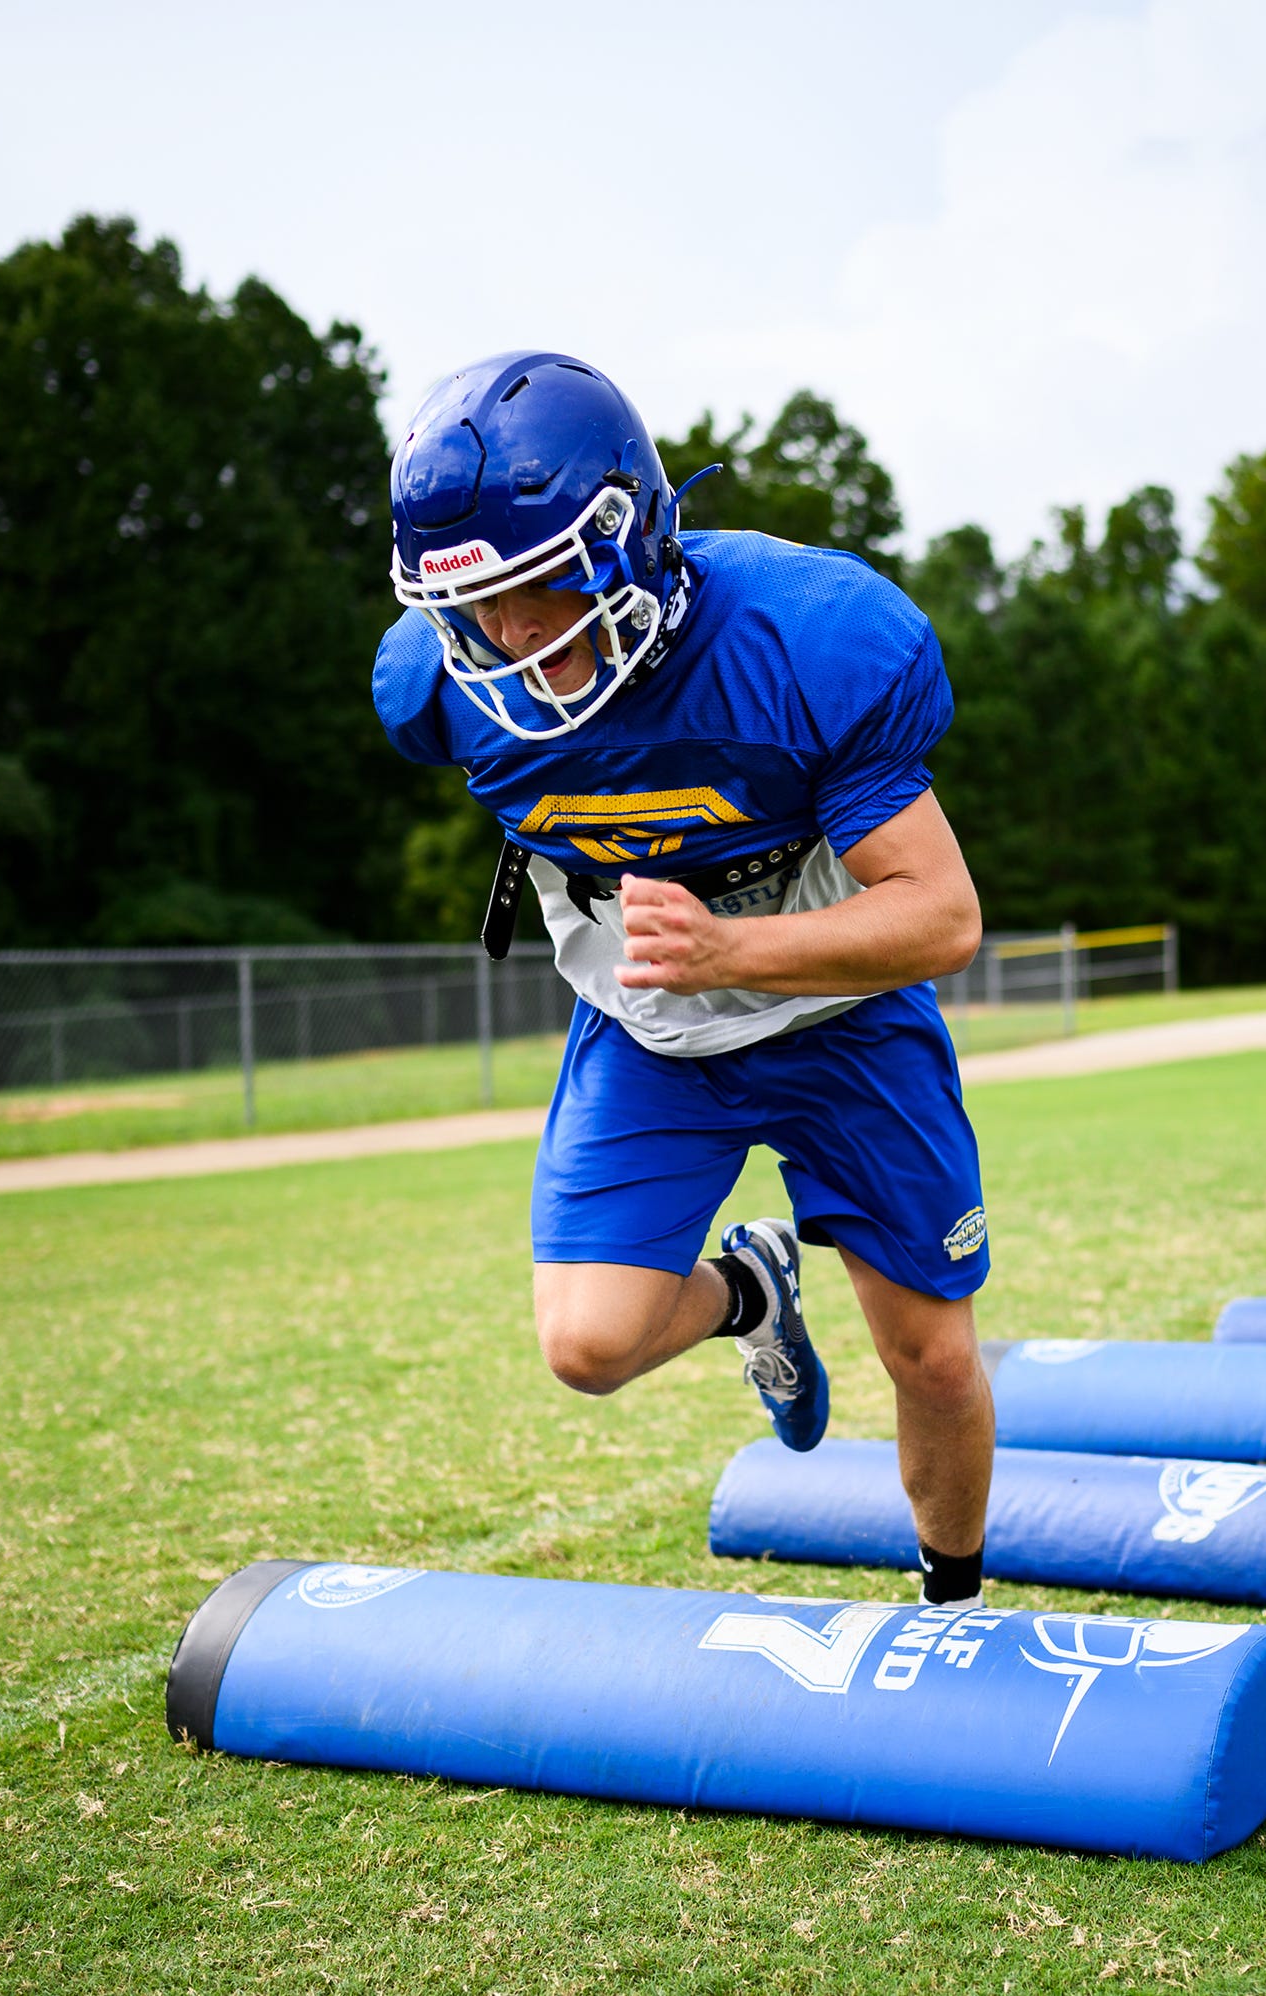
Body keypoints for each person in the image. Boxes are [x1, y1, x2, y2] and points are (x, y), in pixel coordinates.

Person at [371, 350, 997, 1611]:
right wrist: (695, 969)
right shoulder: (444, 689)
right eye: (483, 600)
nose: (510, 636)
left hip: (842, 1011)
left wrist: (734, 950)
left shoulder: (809, 638)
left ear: (631, 536)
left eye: (538, 585)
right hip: (650, 1021)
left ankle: (952, 1599)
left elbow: (941, 917)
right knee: (586, 1345)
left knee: (929, 1355)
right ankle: (749, 1292)